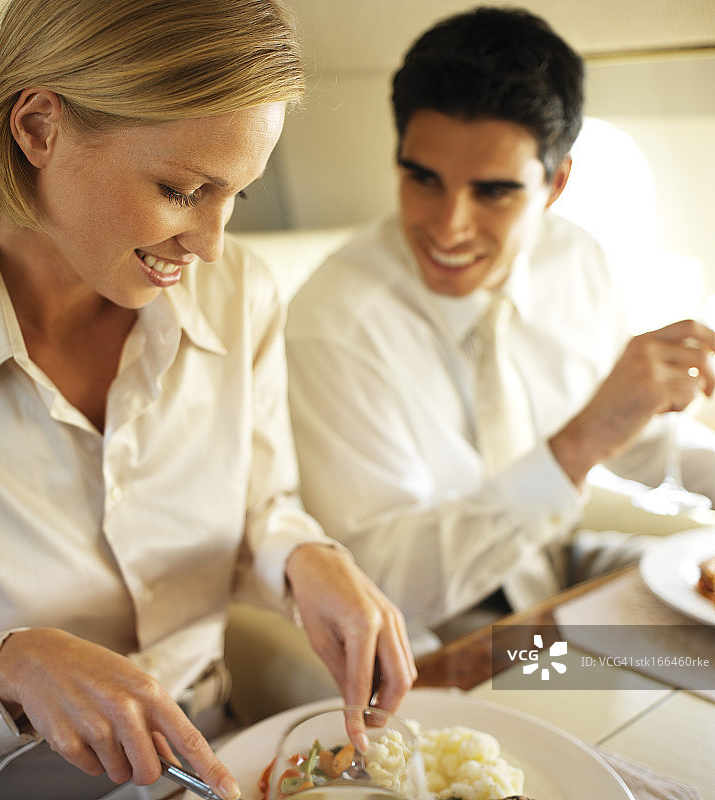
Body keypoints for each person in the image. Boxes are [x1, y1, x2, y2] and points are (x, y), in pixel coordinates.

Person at [0, 1, 417, 797]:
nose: (211, 245)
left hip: (216, 757)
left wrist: (307, 558)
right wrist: (9, 668)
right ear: (39, 128)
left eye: (236, 196)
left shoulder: (239, 294)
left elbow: (264, 506)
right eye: (181, 190)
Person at [286, 7, 715, 639]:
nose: (448, 227)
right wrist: (578, 447)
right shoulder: (335, 324)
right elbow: (384, 581)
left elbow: (631, 440)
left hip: (557, 564)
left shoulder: (575, 258)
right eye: (423, 179)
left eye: (493, 191)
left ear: (555, 183)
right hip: (442, 625)